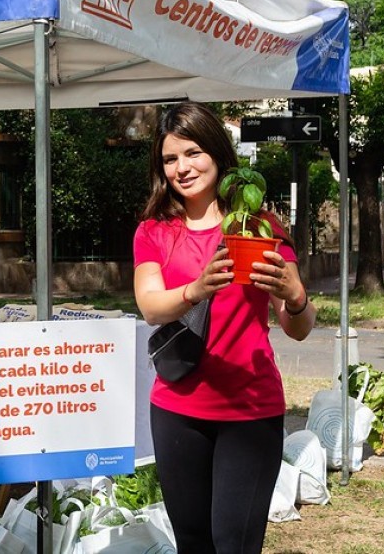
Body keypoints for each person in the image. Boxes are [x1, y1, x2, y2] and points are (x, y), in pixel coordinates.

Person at [133, 101, 316, 553]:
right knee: (193, 541)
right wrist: (196, 290)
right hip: (177, 408)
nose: (182, 167)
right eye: (170, 159)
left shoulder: (259, 226)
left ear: (216, 151)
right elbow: (151, 307)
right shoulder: (154, 231)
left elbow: (298, 328)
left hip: (250, 411)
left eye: (193, 152)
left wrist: (296, 296)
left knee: (234, 542)